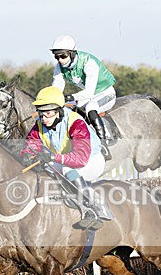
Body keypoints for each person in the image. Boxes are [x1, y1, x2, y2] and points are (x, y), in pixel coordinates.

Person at [19, 86, 112, 230]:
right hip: (64, 160)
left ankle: (91, 209)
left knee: (68, 169)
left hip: (91, 161)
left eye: (48, 114)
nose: (43, 119)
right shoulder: (40, 124)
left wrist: (53, 156)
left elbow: (80, 159)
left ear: (59, 111)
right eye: (41, 114)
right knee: (44, 168)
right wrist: (27, 155)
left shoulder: (76, 123)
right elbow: (31, 143)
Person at [50, 35, 117, 161]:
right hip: (88, 95)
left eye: (63, 56)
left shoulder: (89, 63)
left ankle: (104, 144)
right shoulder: (59, 68)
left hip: (106, 93)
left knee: (91, 107)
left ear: (72, 53)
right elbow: (56, 90)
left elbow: (89, 93)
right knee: (70, 109)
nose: (60, 60)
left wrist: (70, 96)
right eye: (56, 56)